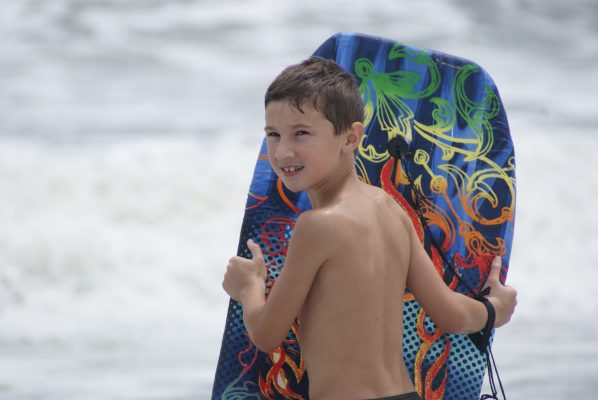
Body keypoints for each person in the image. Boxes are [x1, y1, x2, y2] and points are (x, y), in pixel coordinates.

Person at [222, 57, 517, 400]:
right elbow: (450, 314)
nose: (283, 151)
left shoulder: (315, 226)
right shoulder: (391, 209)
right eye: (273, 134)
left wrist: (249, 286)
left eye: (301, 133)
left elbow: (266, 333)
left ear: (351, 138)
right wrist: (495, 309)